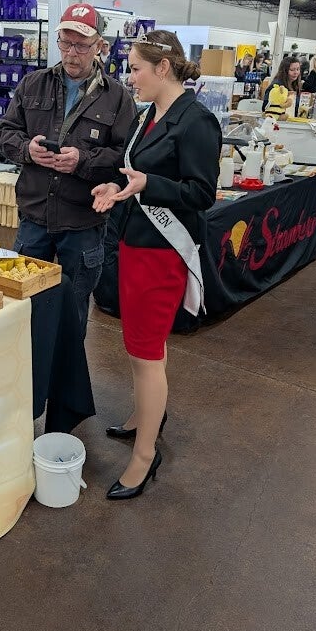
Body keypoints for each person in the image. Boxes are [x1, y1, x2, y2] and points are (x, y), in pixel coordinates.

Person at [91, 31, 221, 500]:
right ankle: (145, 416)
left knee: (146, 353)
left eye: (136, 68)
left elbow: (201, 193)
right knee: (141, 347)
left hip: (163, 254)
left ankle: (145, 456)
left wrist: (150, 185)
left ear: (162, 68)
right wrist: (117, 187)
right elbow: (135, 173)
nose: (130, 78)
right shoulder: (150, 113)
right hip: (135, 244)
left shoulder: (197, 121)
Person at [0, 3, 136, 333]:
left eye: (81, 46)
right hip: (35, 215)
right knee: (23, 305)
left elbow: (126, 157)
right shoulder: (32, 84)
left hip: (82, 220)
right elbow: (6, 132)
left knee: (73, 309)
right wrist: (27, 150)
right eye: (66, 43)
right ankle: (30, 363)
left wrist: (82, 161)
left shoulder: (118, 98)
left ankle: (66, 365)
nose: (72, 53)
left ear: (99, 46)